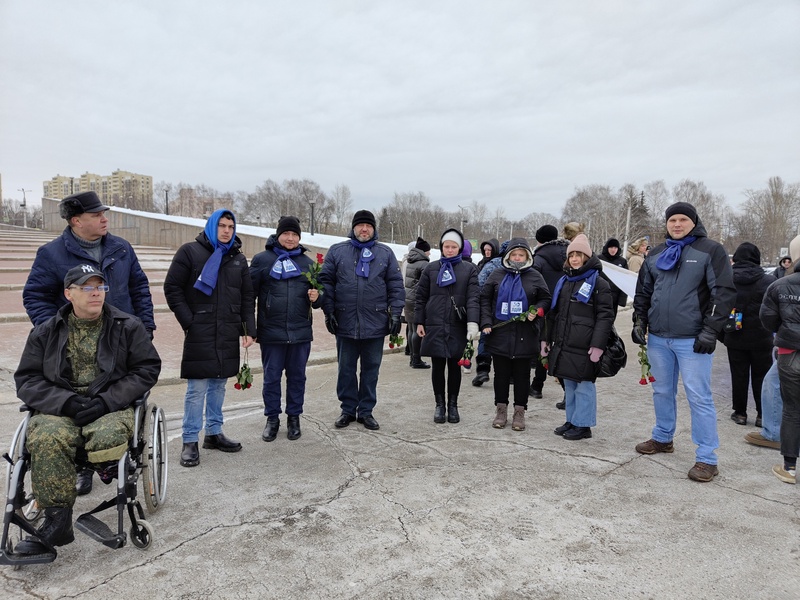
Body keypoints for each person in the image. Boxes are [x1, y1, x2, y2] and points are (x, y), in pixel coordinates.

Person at [12, 265, 161, 555]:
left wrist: (106, 401)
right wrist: (64, 402)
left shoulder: (127, 326)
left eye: (100, 287)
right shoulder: (46, 332)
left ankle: (103, 471)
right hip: (62, 406)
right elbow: (27, 379)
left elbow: (146, 369)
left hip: (109, 404)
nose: (96, 293)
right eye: (87, 288)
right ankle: (57, 521)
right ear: (69, 294)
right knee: (45, 436)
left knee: (108, 437)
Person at [22, 190, 156, 497]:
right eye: (97, 215)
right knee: (75, 402)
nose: (104, 219)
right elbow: (35, 296)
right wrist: (55, 332)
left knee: (119, 397)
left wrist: (145, 328)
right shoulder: (51, 254)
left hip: (121, 340)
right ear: (76, 220)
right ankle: (82, 467)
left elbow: (139, 288)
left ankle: (111, 457)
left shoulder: (121, 248)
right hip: (76, 345)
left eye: (103, 213)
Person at [632, 202, 735, 482]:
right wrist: (639, 321)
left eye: (682, 220)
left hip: (693, 340)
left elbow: (723, 293)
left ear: (693, 222)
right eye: (672, 220)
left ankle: (706, 458)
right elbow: (643, 291)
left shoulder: (710, 251)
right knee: (662, 391)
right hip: (659, 339)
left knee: (698, 396)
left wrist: (710, 331)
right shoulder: (655, 254)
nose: (677, 224)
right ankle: (663, 437)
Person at [164, 209, 255, 467]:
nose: (226, 231)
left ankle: (214, 433)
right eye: (222, 226)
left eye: (230, 226)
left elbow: (247, 296)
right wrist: (188, 321)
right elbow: (172, 288)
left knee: (218, 384)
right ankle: (190, 440)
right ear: (211, 226)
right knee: (197, 389)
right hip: (200, 328)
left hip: (226, 329)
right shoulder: (190, 252)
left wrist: (248, 329)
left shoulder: (237, 259)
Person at [318, 209, 405, 431]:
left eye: (368, 226)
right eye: (360, 225)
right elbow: (325, 282)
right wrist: (329, 311)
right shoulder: (338, 251)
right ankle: (347, 409)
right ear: (353, 228)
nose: (364, 229)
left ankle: (366, 411)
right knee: (345, 369)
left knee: (371, 370)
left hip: (375, 322)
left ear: (374, 229)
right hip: (345, 321)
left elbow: (395, 285)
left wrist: (395, 313)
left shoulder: (385, 253)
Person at [249, 216, 322, 442]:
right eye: (286, 234)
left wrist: (318, 296)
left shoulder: (309, 264)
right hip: (271, 331)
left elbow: (321, 298)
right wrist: (249, 328)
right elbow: (249, 295)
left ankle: (294, 418)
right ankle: (272, 418)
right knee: (271, 377)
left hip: (300, 331)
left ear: (299, 237)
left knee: (297, 377)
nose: (290, 238)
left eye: (294, 234)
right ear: (278, 235)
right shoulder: (262, 260)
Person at [542, 234, 614, 440]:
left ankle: (584, 425)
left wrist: (598, 345)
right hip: (565, 342)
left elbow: (605, 317)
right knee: (570, 385)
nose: (574, 258)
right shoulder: (565, 281)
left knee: (584, 385)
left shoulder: (599, 283)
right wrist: (546, 339)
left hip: (586, 344)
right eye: (571, 255)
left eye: (579, 254)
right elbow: (554, 314)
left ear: (587, 257)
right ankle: (572, 420)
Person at [480, 238, 551, 431]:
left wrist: (537, 311)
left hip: (525, 335)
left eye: (521, 255)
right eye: (514, 255)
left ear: (527, 256)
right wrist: (486, 322)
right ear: (508, 256)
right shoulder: (497, 274)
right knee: (501, 375)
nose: (517, 258)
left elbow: (546, 298)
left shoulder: (535, 276)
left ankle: (520, 412)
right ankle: (500, 410)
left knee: (522, 376)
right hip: (500, 333)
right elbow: (485, 299)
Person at [415, 229, 479, 423]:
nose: (450, 250)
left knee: (454, 365)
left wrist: (472, 323)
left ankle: (453, 405)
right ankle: (439, 404)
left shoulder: (469, 269)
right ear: (441, 247)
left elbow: (474, 298)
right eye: (446, 246)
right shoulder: (431, 268)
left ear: (459, 248)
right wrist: (419, 321)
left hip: (457, 324)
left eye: (453, 246)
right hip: (434, 323)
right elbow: (421, 296)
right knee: (437, 366)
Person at [759, 235, 800, 484]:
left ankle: (789, 468)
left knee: (792, 409)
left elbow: (768, 320)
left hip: (789, 353)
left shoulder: (780, 285)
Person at [721, 242, 774, 427]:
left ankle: (740, 413)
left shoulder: (727, 279)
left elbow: (718, 306)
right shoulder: (769, 281)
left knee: (739, 374)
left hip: (735, 335)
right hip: (762, 337)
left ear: (735, 258)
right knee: (762, 376)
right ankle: (762, 415)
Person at [531, 224, 570, 404]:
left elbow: (532, 283)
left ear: (539, 239)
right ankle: (566, 390)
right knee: (562, 347)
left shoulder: (539, 257)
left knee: (543, 346)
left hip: (545, 308)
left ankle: (537, 385)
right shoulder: (572, 254)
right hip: (567, 308)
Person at [472, 240, 511, 387]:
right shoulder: (524, 267)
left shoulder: (492, 265)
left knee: (485, 339)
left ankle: (483, 370)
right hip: (511, 312)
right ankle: (509, 374)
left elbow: (479, 285)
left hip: (490, 309)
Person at [404, 237, 432, 369]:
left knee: (410, 329)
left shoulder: (410, 261)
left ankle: (411, 356)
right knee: (417, 330)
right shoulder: (424, 264)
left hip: (408, 299)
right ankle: (416, 359)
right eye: (428, 251)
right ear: (424, 251)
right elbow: (426, 284)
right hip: (417, 300)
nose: (430, 253)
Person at [597, 237, 629, 316]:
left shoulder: (622, 261)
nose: (613, 250)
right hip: (600, 295)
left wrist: (622, 299)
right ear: (607, 248)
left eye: (615, 248)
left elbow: (625, 280)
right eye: (611, 247)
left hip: (614, 298)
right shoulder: (599, 259)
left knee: (610, 318)